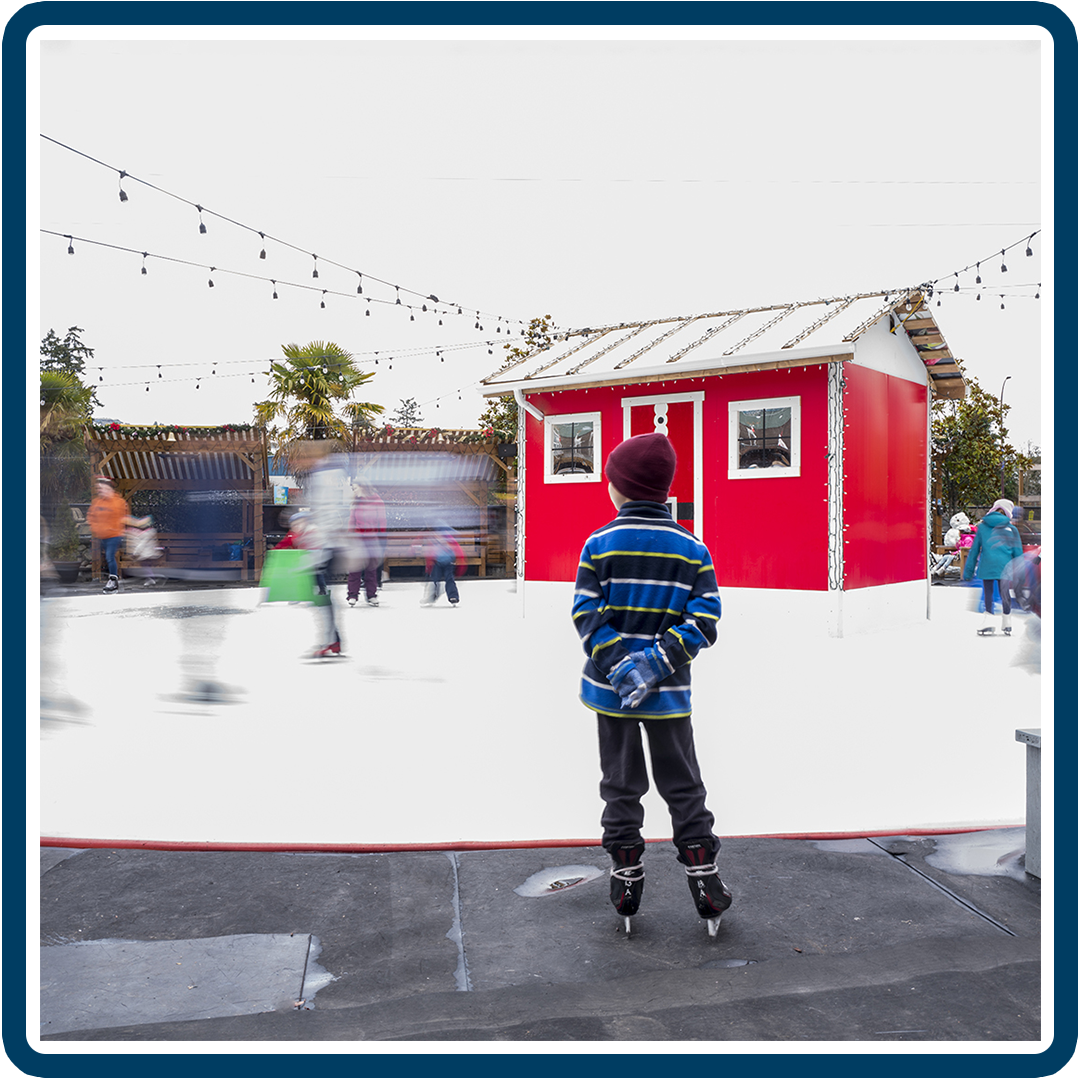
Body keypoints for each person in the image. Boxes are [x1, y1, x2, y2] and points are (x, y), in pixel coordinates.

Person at [572, 432, 729, 935]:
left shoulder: (598, 545)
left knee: (620, 784)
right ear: (663, 492)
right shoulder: (692, 549)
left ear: (619, 488)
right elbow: (705, 619)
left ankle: (625, 880)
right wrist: (656, 663)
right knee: (682, 784)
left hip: (610, 696)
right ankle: (705, 881)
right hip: (668, 697)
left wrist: (620, 666)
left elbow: (586, 614)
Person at [293, 441, 351, 656]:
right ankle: (333, 640)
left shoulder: (324, 475)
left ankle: (330, 641)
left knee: (320, 593)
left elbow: (327, 512)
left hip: (326, 546)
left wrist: (318, 548)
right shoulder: (332, 473)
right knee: (322, 594)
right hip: (328, 544)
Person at [962, 498, 1024, 636]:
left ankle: (989, 621)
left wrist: (968, 572)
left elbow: (974, 551)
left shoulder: (983, 527)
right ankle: (1007, 623)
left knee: (988, 593)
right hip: (1005, 567)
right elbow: (1018, 553)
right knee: (1005, 593)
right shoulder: (1012, 529)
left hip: (987, 565)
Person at [86, 476, 150, 593]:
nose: (100, 491)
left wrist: (119, 528)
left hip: (115, 535)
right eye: (99, 489)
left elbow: (124, 518)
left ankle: (113, 581)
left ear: (110, 489)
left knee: (110, 556)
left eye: (103, 488)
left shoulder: (119, 502)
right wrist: (96, 529)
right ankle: (113, 577)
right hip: (102, 536)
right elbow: (91, 517)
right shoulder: (97, 503)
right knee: (107, 557)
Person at [346, 483, 387, 607]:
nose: (354, 490)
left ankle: (371, 595)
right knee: (355, 568)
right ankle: (352, 595)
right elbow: (352, 521)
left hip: (372, 538)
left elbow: (382, 521)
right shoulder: (356, 502)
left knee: (371, 568)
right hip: (358, 539)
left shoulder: (377, 502)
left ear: (363, 487)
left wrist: (381, 539)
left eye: (356, 487)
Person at [421, 521, 465, 607]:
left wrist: (460, 561)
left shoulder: (447, 538)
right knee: (434, 580)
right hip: (437, 563)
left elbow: (457, 549)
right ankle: (432, 596)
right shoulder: (432, 540)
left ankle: (453, 596)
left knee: (449, 579)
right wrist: (429, 566)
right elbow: (430, 554)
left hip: (449, 563)